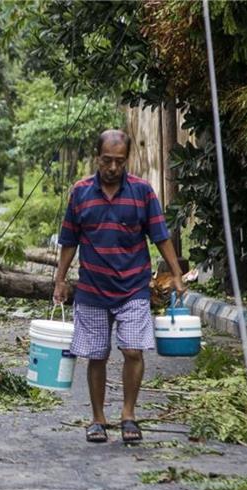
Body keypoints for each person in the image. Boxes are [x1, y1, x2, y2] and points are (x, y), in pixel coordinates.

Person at [53, 129, 185, 444]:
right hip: (92, 289)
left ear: (127, 159)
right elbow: (69, 241)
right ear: (97, 157)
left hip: (133, 287)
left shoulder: (142, 192)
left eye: (119, 161)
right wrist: (60, 279)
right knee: (96, 355)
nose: (113, 167)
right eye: (107, 160)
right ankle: (98, 419)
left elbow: (160, 236)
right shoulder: (81, 192)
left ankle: (128, 415)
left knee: (133, 350)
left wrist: (177, 273)